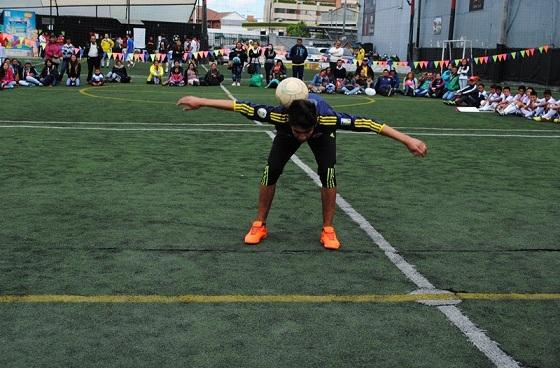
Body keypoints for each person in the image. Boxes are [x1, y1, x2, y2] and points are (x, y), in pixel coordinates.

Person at [176, 94, 428, 250]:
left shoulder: (328, 119)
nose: (302, 138)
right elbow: (240, 106)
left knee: (328, 173)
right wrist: (201, 101)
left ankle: (328, 229)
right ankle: (259, 224)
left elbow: (370, 123)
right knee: (270, 170)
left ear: (313, 124)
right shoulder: (278, 116)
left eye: (305, 133)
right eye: (299, 132)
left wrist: (407, 140)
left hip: (324, 136)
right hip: (284, 133)